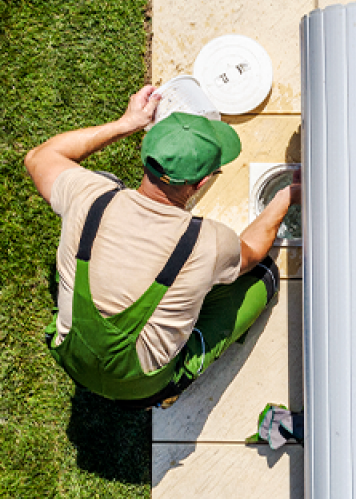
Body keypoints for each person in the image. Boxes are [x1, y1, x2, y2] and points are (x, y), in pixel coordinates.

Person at [25, 85, 300, 409]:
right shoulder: (207, 242)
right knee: (262, 275)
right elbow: (252, 251)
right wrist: (286, 197)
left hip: (71, 354)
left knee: (103, 179)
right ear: (201, 183)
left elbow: (38, 157)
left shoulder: (89, 197)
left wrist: (126, 122)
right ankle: (166, 394)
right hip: (142, 387)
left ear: (144, 154)